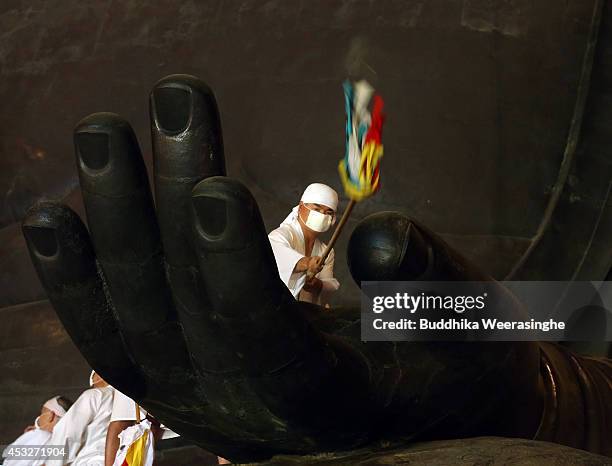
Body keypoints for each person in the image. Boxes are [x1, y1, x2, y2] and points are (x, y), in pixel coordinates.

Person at [268, 183, 340, 305]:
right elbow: (278, 258)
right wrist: (308, 263)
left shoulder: (326, 251)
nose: (322, 215)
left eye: (328, 212)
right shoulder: (281, 235)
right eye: (316, 209)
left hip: (304, 315)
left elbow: (327, 288)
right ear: (301, 207)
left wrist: (317, 285)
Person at [43, 371, 113, 466]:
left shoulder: (95, 395)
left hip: (90, 461)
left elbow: (68, 432)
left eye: (94, 374)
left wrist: (52, 464)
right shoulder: (128, 400)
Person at [2, 396, 72, 466]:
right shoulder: (66, 443)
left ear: (50, 416)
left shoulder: (42, 435)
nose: (39, 418)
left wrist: (29, 437)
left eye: (42, 414)